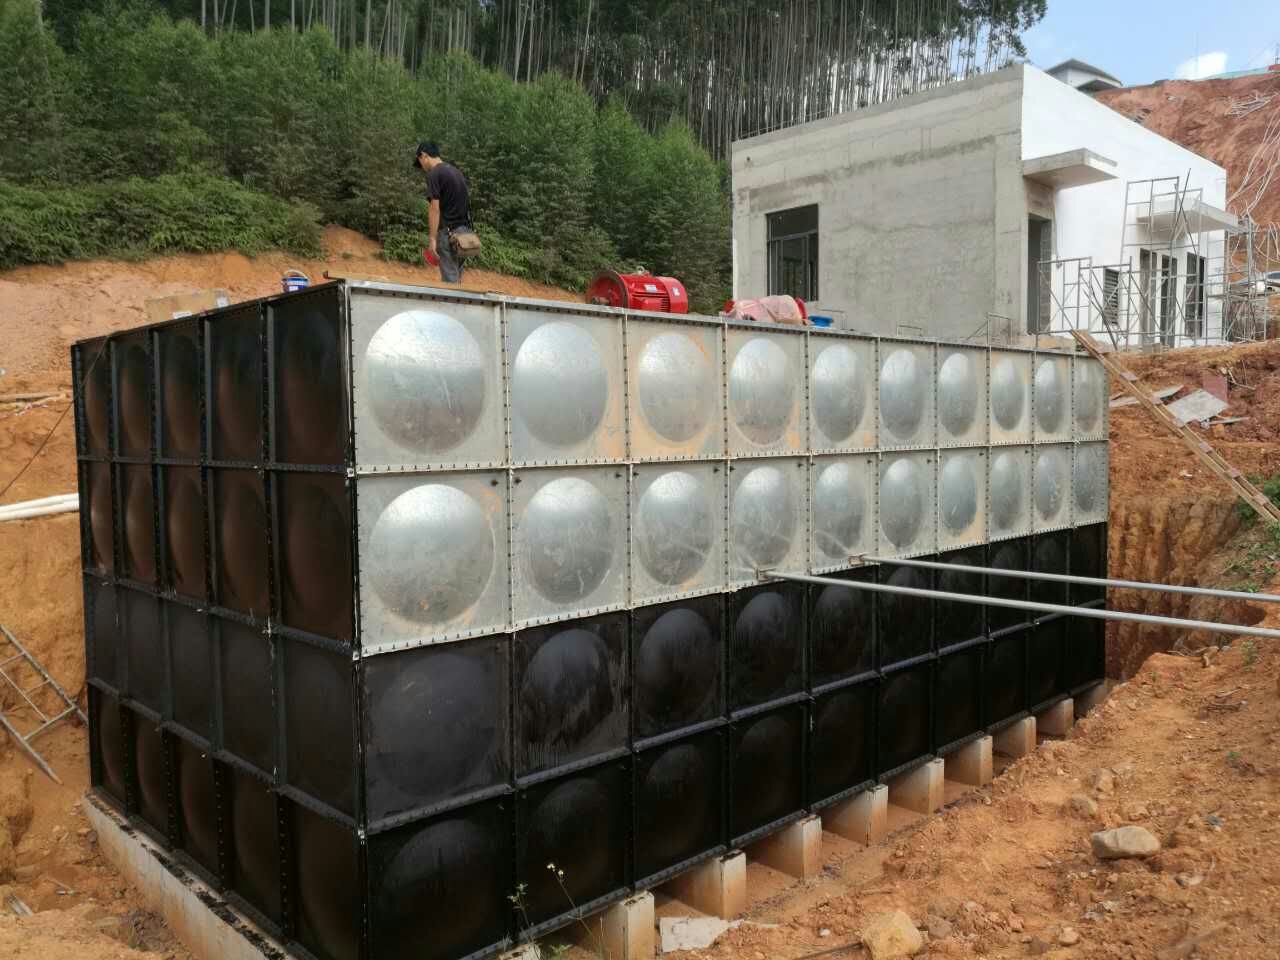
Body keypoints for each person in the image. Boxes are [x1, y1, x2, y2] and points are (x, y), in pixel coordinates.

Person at [412, 141, 475, 283]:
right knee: (456, 279)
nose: (422, 167)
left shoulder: (434, 174)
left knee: (450, 284)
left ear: (424, 155)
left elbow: (434, 209)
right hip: (465, 235)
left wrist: (432, 239)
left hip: (448, 235)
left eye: (420, 161)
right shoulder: (457, 172)